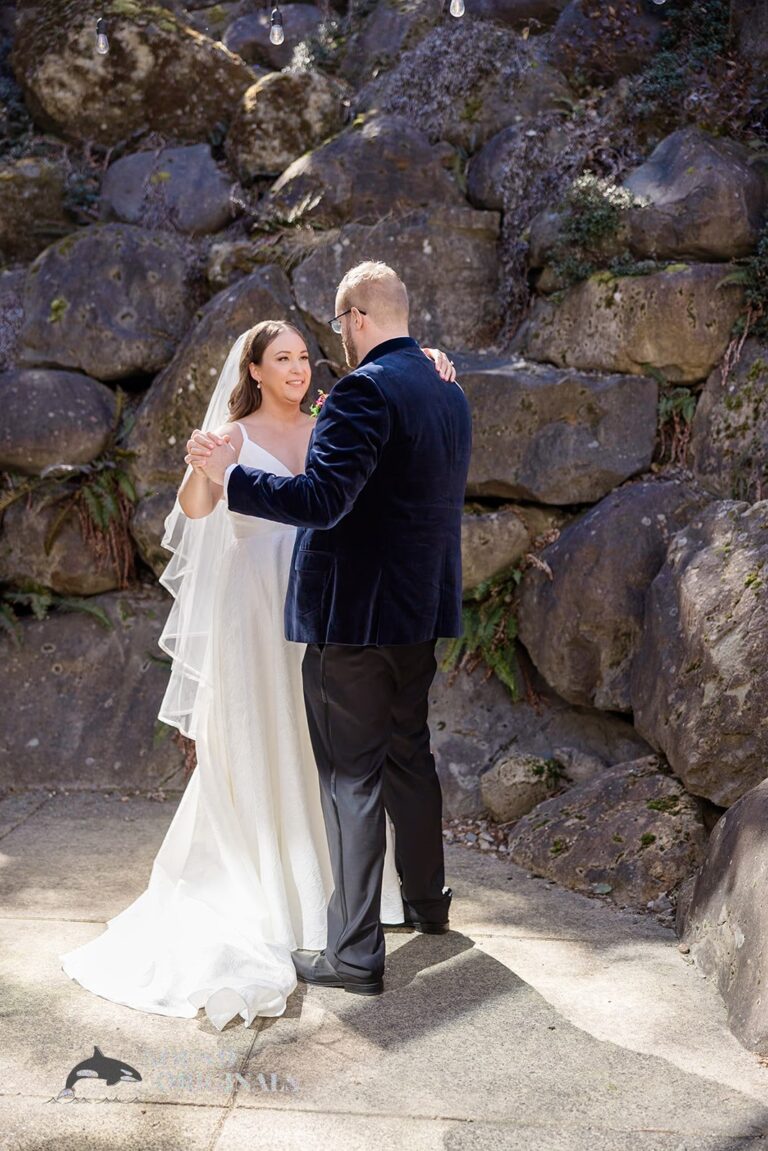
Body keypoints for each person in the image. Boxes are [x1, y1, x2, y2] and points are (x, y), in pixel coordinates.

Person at [58, 318, 457, 1029]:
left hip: (324, 600)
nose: (300, 369)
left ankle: (336, 901)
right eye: (284, 359)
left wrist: (429, 360)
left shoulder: (335, 415)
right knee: (266, 738)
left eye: (305, 356)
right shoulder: (235, 434)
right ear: (255, 370)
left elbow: (382, 424)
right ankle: (270, 890)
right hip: (256, 605)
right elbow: (194, 509)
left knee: (329, 753)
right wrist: (203, 466)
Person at [193, 262, 472, 997]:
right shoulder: (448, 389)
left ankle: (354, 953)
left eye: (336, 330)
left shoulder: (362, 391)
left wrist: (234, 480)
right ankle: (427, 902)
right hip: (420, 612)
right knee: (411, 752)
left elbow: (321, 500)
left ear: (354, 318)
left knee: (352, 777)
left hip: (355, 617)